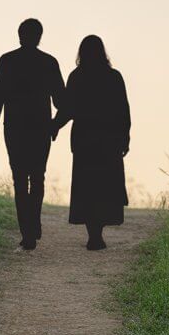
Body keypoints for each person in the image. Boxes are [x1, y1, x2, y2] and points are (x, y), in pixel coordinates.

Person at [0, 18, 65, 250]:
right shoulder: (49, 63)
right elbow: (62, 100)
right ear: (39, 36)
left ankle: (27, 231)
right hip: (40, 128)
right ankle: (33, 222)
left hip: (15, 128)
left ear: (19, 35)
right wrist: (55, 125)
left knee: (20, 180)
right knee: (37, 177)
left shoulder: (7, 61)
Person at [51, 35, 129, 251]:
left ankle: (93, 234)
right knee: (104, 187)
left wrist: (54, 125)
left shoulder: (77, 77)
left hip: (85, 139)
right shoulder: (114, 77)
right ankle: (98, 235)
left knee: (87, 187)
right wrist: (125, 137)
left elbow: (68, 108)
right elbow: (123, 110)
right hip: (109, 139)